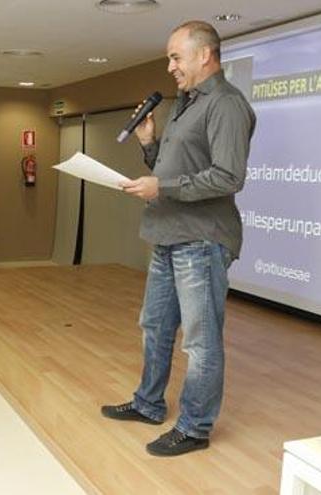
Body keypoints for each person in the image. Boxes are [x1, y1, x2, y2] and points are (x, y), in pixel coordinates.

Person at [101, 20, 256, 457]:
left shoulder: (226, 104)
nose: (170, 66)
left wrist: (160, 188)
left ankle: (194, 427)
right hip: (168, 234)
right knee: (155, 326)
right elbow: (174, 168)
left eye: (176, 56)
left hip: (202, 240)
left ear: (205, 54)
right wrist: (151, 145)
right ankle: (148, 403)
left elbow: (229, 176)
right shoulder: (187, 103)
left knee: (200, 341)